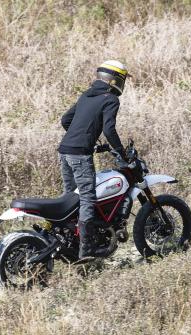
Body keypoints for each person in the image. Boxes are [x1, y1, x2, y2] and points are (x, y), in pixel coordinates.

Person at [58, 60, 130, 259]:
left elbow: (66, 120)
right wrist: (120, 151)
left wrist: (85, 138)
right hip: (80, 154)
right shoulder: (111, 99)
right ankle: (86, 250)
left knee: (71, 197)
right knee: (88, 198)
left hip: (64, 151)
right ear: (116, 80)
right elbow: (109, 129)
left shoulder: (86, 95)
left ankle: (70, 240)